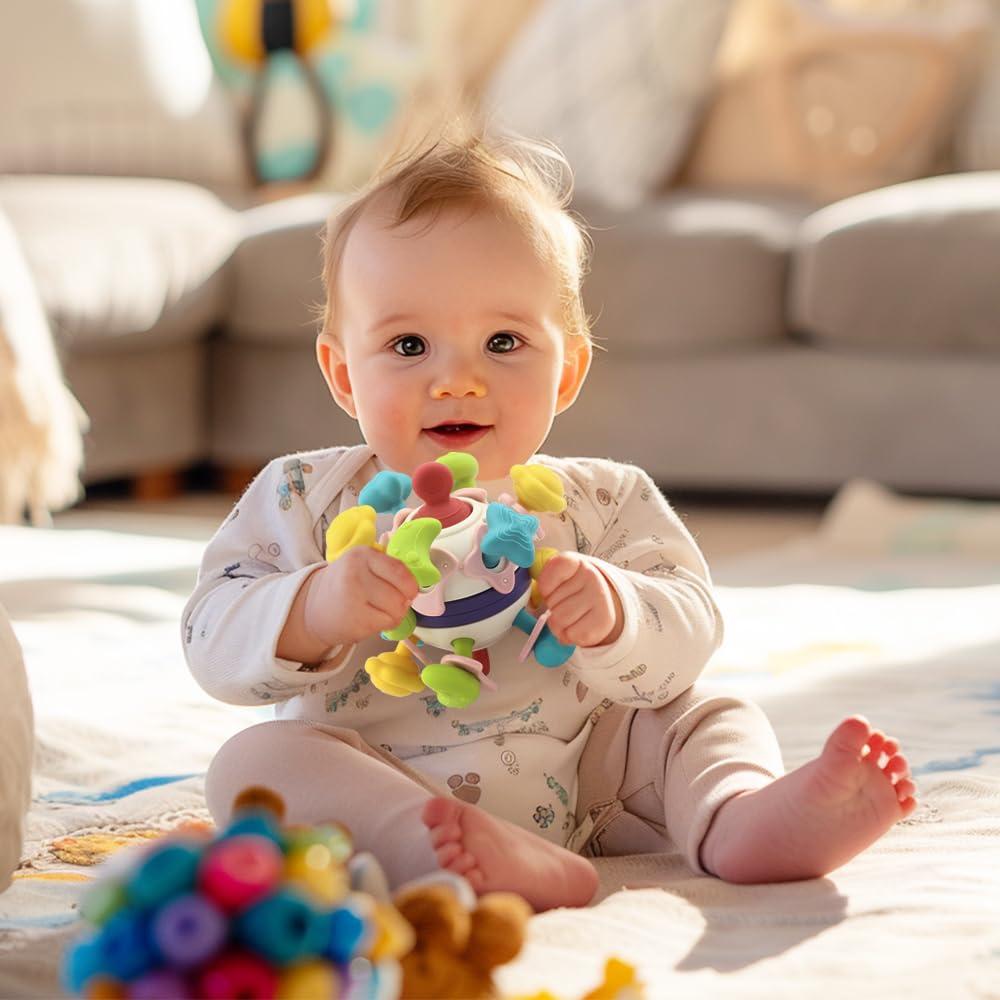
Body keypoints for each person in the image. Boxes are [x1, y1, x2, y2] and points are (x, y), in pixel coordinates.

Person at [183, 130, 916, 912]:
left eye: (503, 342)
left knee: (705, 712)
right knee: (251, 766)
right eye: (408, 344)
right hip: (380, 774)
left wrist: (618, 613)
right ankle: (432, 847)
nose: (458, 380)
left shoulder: (606, 500)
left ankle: (736, 815)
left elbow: (691, 630)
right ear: (342, 373)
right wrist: (313, 607)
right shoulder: (304, 497)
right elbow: (210, 638)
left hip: (594, 782)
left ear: (566, 370)